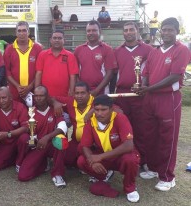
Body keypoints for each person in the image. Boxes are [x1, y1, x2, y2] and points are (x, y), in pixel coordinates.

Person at [136, 17, 190, 191]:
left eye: (170, 30)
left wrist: (148, 88)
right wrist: (143, 85)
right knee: (150, 135)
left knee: (168, 138)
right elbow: (146, 72)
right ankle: (152, 168)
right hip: (150, 98)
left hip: (168, 98)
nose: (166, 33)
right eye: (164, 29)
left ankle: (167, 176)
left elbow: (174, 77)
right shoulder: (155, 51)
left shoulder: (181, 50)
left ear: (177, 31)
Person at [77, 95, 140, 203]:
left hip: (120, 156)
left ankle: (130, 188)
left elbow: (129, 145)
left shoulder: (120, 118)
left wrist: (99, 157)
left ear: (111, 109)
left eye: (104, 110)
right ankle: (103, 175)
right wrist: (92, 162)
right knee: (82, 161)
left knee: (131, 159)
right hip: (105, 158)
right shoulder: (91, 122)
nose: (99, 113)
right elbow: (85, 146)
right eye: (96, 110)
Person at [114, 22, 153, 170]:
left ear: (137, 31)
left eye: (131, 29)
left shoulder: (148, 50)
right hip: (122, 95)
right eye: (125, 30)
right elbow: (113, 75)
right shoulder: (117, 51)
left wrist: (146, 87)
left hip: (140, 95)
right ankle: (124, 158)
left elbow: (150, 71)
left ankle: (143, 161)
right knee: (123, 128)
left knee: (141, 129)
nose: (128, 32)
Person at [17, 86, 68, 187]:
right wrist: (33, 142)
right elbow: (30, 134)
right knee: (23, 176)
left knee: (62, 140)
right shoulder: (30, 112)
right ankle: (44, 164)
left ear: (47, 96)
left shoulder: (54, 109)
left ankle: (57, 174)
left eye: (41, 95)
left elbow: (63, 127)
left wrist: (47, 137)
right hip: (38, 146)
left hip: (52, 144)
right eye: (36, 96)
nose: (38, 98)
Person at [0, 87, 29, 171]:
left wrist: (8, 134)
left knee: (25, 138)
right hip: (5, 144)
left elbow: (25, 128)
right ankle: (14, 158)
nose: (1, 101)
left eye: (4, 97)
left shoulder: (20, 107)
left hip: (18, 141)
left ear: (10, 97)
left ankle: (20, 162)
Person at [74, 20, 117, 97]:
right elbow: (75, 73)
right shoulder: (78, 49)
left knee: (101, 109)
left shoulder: (107, 49)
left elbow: (110, 73)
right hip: (83, 92)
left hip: (102, 91)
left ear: (99, 31)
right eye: (88, 31)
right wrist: (81, 89)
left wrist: (96, 90)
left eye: (94, 30)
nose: (91, 33)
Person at [3, 21, 42, 104]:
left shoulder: (37, 48)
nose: (22, 33)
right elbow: (7, 71)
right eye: (19, 31)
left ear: (29, 32)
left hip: (33, 90)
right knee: (16, 114)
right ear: (16, 33)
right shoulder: (9, 49)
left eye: (24, 30)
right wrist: (17, 86)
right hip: (14, 90)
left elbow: (40, 70)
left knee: (32, 115)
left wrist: (30, 86)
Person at [35, 30, 79, 97]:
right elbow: (39, 73)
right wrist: (36, 91)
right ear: (50, 40)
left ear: (64, 40)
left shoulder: (70, 56)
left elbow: (72, 76)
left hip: (64, 95)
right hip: (45, 96)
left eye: (59, 38)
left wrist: (71, 91)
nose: (57, 40)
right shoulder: (42, 54)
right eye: (54, 38)